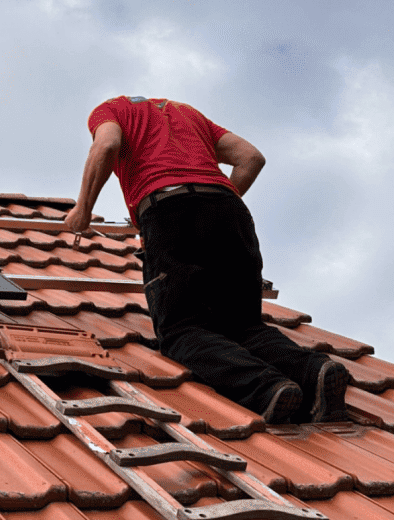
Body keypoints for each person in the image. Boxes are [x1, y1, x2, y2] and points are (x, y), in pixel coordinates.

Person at [63, 95, 349, 424]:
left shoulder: (111, 110)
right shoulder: (189, 115)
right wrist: (214, 206)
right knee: (244, 326)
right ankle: (314, 371)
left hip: (169, 209)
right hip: (229, 210)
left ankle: (268, 388)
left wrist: (82, 209)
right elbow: (251, 158)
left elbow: (107, 145)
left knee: (182, 330)